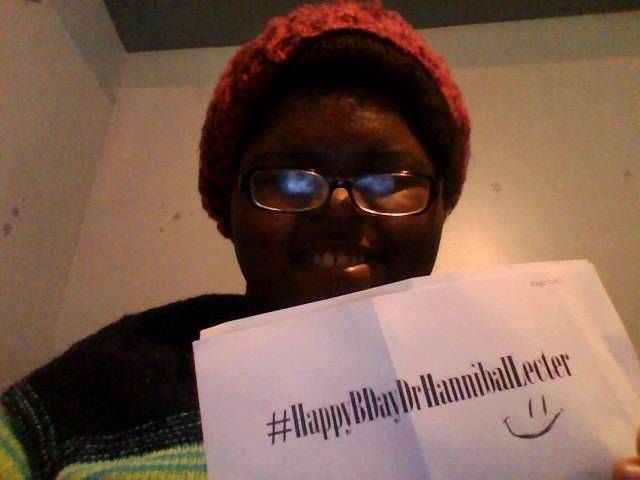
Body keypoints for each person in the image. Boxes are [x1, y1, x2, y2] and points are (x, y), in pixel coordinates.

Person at [1, 1, 637, 478]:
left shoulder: (538, 382)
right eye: (287, 179)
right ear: (230, 205)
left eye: (388, 181)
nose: (337, 210)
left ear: (440, 208)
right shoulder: (115, 374)